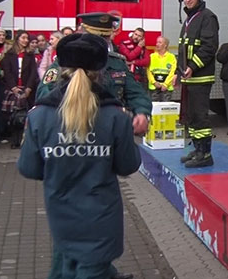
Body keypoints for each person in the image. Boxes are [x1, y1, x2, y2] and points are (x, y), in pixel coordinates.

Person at [17, 33, 141, 279]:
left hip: (61, 214)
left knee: (67, 268)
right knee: (89, 269)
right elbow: (128, 165)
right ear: (101, 69)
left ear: (61, 67)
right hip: (102, 218)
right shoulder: (116, 116)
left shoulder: (39, 116)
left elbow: (29, 168)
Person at [38, 13, 150, 139]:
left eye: (105, 37)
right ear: (83, 33)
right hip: (69, 129)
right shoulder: (65, 59)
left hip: (109, 129)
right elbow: (45, 90)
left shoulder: (117, 63)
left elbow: (136, 93)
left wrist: (142, 112)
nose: (101, 42)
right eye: (96, 37)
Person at [176, 0, 219, 167]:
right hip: (188, 78)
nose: (187, 0)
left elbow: (209, 47)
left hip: (201, 76)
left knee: (200, 115)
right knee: (191, 115)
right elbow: (183, 49)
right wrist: (179, 72)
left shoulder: (207, 17)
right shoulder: (188, 20)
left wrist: (192, 66)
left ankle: (206, 155)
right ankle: (197, 149)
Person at [0, 31, 40, 148]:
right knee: (12, 116)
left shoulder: (30, 55)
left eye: (27, 38)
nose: (26, 40)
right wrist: (13, 87)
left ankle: (24, 140)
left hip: (26, 88)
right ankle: (14, 140)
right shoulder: (9, 54)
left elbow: (33, 73)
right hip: (13, 89)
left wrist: (28, 88)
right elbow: (7, 72)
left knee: (25, 115)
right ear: (17, 39)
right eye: (23, 38)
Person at [147, 36, 176, 102]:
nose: (157, 44)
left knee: (165, 110)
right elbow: (148, 71)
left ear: (165, 45)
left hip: (167, 88)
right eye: (157, 42)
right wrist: (154, 82)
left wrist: (166, 84)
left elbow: (172, 72)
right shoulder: (152, 56)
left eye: (160, 42)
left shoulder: (171, 57)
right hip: (154, 88)